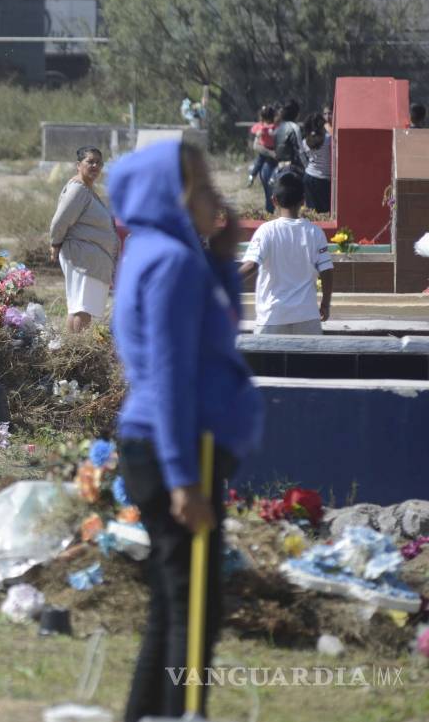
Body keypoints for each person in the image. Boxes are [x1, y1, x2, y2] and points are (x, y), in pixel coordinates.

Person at [108, 141, 262, 722]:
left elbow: (216, 333)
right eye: (201, 186)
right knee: (194, 611)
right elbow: (170, 377)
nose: (214, 198)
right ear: (169, 194)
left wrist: (223, 259)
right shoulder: (170, 262)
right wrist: (182, 480)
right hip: (179, 448)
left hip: (177, 445)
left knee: (176, 606)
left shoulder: (161, 252)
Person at [240, 173, 334, 334]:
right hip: (307, 318)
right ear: (303, 201)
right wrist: (325, 303)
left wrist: (222, 283)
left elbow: (250, 265)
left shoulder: (266, 231)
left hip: (272, 318)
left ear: (274, 200)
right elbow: (327, 270)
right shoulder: (315, 232)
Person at [49, 147, 120, 333]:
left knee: (79, 307)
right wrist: (55, 244)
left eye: (99, 162)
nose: (95, 165)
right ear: (78, 165)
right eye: (90, 161)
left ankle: (71, 349)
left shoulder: (87, 189)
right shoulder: (78, 189)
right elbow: (60, 220)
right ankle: (77, 350)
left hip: (89, 258)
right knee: (83, 307)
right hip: (82, 256)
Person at [247, 105, 278, 213]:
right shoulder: (264, 127)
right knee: (259, 162)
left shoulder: (272, 127)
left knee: (259, 162)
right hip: (268, 151)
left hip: (271, 152)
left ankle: (252, 176)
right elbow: (256, 141)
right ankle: (252, 175)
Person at [301, 112, 332, 213]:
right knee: (325, 213)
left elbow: (303, 157)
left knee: (312, 213)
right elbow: (336, 138)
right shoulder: (328, 140)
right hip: (323, 180)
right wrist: (327, 126)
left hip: (309, 176)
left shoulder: (305, 141)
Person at [273, 98, 304, 176]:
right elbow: (300, 151)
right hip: (292, 171)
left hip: (279, 169)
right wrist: (307, 168)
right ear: (296, 113)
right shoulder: (294, 127)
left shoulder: (277, 128)